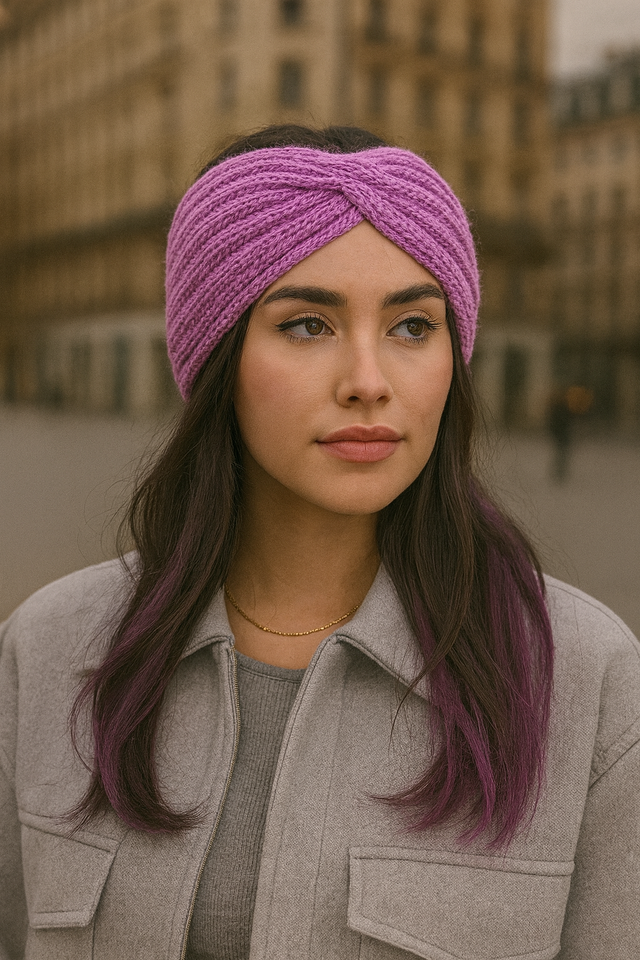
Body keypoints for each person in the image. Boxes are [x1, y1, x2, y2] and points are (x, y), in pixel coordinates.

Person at [1, 125, 638, 960]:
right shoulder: (47, 650)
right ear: (217, 355)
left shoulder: (587, 679)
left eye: (413, 326)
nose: (369, 381)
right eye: (308, 325)